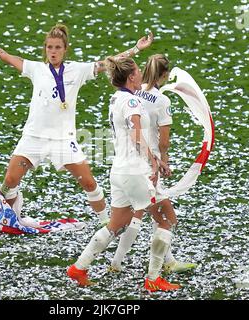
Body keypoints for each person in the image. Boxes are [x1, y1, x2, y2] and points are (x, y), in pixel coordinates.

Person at [0, 23, 153, 226]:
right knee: (10, 181)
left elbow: (108, 64)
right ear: (45, 49)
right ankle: (12, 218)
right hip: (34, 137)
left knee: (89, 182)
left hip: (63, 140)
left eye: (57, 47)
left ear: (65, 49)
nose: (53, 51)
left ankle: (107, 226)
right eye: (49, 47)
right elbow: (4, 56)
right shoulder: (36, 68)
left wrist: (136, 48)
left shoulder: (78, 70)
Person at [67, 56, 180, 292]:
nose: (141, 74)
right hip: (136, 171)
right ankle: (153, 278)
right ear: (131, 77)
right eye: (138, 71)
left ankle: (79, 267)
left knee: (116, 225)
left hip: (119, 170)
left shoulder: (117, 98)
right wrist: (155, 160)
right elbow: (136, 136)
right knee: (166, 219)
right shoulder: (131, 103)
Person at [108, 54, 197, 274]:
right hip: (147, 164)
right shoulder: (162, 100)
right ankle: (156, 271)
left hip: (125, 161)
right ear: (165, 75)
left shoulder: (132, 92)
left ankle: (117, 263)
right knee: (163, 217)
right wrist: (163, 161)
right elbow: (164, 140)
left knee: (134, 216)